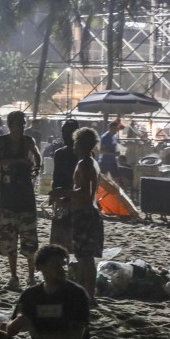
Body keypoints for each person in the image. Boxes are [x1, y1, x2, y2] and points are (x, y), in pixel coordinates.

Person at [0, 110, 42, 292]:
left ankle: (30, 277)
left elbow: (37, 156)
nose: (22, 127)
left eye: (23, 123)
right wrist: (20, 160)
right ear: (11, 125)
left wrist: (36, 167)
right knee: (9, 239)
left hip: (25, 196)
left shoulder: (28, 141)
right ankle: (14, 276)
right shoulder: (1, 141)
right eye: (19, 123)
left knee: (29, 239)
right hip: (8, 198)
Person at [70, 127, 104, 303]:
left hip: (84, 214)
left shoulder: (85, 164)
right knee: (85, 257)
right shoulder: (92, 162)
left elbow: (85, 193)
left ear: (79, 144)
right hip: (89, 213)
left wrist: (65, 193)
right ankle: (88, 294)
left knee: (85, 258)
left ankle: (88, 295)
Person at [48, 119, 80, 250]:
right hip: (68, 198)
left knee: (64, 240)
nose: (65, 136)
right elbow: (56, 177)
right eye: (64, 133)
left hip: (72, 198)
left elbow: (56, 177)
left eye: (68, 133)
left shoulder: (61, 153)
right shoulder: (61, 153)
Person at [98, 119, 124, 186]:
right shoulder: (104, 137)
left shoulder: (114, 137)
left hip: (112, 161)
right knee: (102, 179)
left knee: (117, 179)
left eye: (117, 128)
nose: (117, 130)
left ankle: (117, 193)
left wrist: (117, 152)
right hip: (104, 161)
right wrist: (112, 153)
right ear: (111, 128)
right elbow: (101, 150)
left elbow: (114, 147)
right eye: (115, 129)